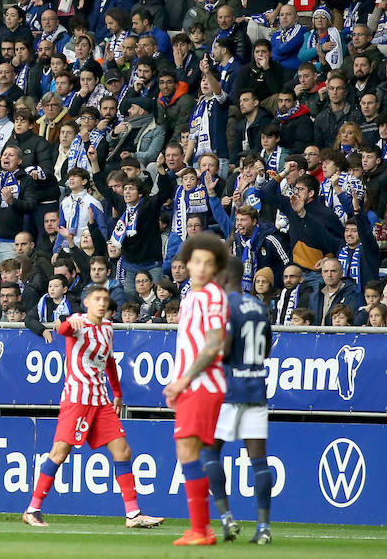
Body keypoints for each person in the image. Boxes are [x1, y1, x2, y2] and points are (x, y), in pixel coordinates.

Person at [21, 284, 164, 530]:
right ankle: (32, 509)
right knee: (60, 452)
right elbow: (62, 329)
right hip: (77, 399)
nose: (101, 303)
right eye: (96, 298)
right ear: (86, 302)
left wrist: (117, 393)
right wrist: (67, 325)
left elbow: (108, 361)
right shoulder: (78, 321)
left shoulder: (108, 328)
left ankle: (133, 514)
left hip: (101, 400)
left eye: (104, 299)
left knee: (123, 451)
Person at [163, 233, 231, 547]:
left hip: (203, 383)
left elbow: (215, 343)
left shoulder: (213, 295)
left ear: (216, 267)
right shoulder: (192, 295)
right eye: (196, 261)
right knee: (187, 451)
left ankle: (201, 530)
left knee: (189, 451)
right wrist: (177, 381)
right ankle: (201, 528)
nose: (201, 267)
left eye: (208, 262)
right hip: (192, 384)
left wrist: (184, 379)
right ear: (187, 262)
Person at [204, 263, 274, 544]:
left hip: (230, 390)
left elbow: (222, 346)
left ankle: (226, 518)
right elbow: (267, 349)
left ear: (223, 277)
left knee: (209, 452)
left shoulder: (225, 308)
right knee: (259, 460)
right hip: (256, 388)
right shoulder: (259, 308)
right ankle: (264, 527)